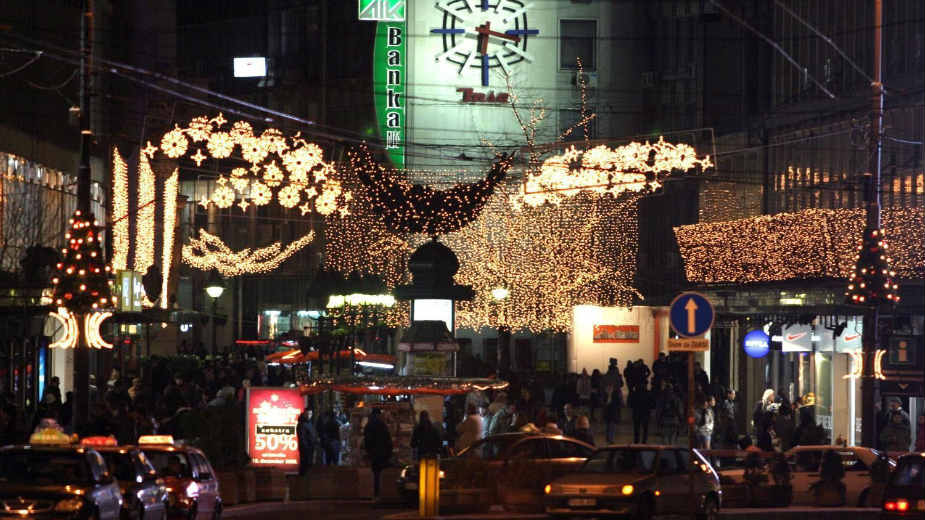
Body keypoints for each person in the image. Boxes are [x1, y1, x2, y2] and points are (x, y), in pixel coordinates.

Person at [363, 408, 393, 500]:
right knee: (383, 473)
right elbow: (388, 439)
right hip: (383, 452)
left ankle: (376, 494)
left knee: (376, 474)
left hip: (374, 453)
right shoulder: (382, 425)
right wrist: (389, 451)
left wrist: (368, 451)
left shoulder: (369, 425)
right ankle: (384, 493)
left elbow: (367, 440)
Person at [656, 381, 682, 446]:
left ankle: (667, 453)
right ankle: (672, 453)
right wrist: (681, 420)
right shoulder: (676, 398)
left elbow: (659, 410)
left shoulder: (662, 398)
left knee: (665, 441)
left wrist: (658, 420)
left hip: (665, 420)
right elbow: (679, 411)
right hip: (674, 420)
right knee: (672, 441)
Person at [297, 409, 316, 476]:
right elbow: (302, 437)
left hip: (310, 448)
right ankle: (302, 480)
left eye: (310, 414)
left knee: (308, 465)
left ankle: (305, 479)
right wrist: (306, 447)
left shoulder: (309, 423)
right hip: (305, 448)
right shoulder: (302, 424)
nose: (309, 416)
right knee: (305, 465)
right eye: (307, 414)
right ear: (304, 414)